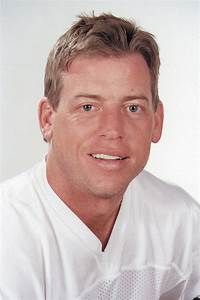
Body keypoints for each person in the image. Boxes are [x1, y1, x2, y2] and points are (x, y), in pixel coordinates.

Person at [0, 13, 199, 300]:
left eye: (132, 108)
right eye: (88, 107)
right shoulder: (9, 233)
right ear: (48, 119)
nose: (112, 130)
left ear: (156, 122)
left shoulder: (182, 221)